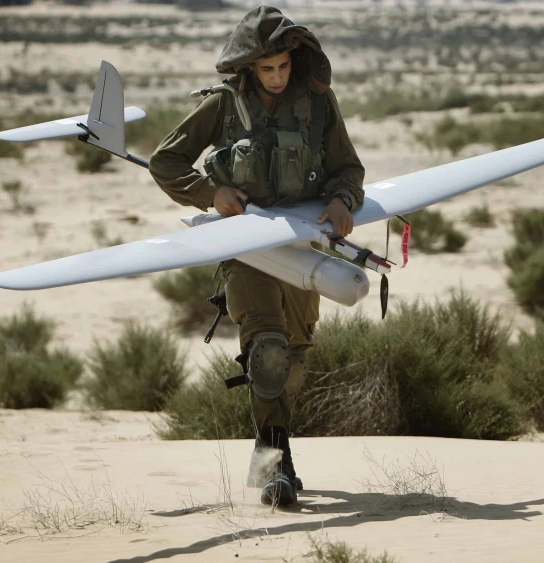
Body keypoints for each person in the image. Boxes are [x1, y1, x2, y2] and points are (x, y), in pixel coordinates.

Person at [148, 5, 365, 507]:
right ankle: (277, 469)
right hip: (246, 250)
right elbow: (167, 161)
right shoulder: (224, 105)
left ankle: (268, 454)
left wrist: (341, 199)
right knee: (266, 351)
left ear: (294, 59)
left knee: (293, 358)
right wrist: (210, 195)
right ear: (249, 66)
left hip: (301, 247)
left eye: (283, 67)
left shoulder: (317, 102)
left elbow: (347, 167)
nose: (275, 77)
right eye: (265, 69)